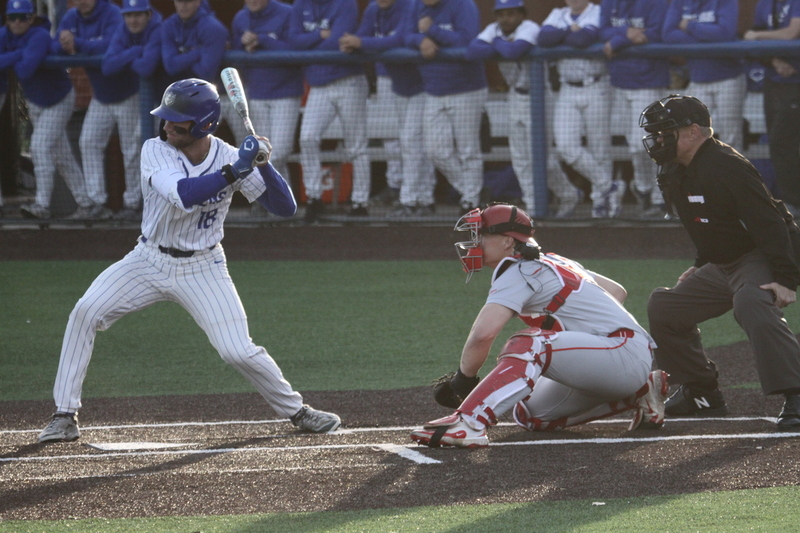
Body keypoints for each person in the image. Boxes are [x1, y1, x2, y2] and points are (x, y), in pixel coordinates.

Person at [37, 79, 342, 443]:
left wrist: (263, 163)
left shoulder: (231, 155)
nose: (167, 125)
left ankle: (298, 411)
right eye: (166, 117)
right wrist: (237, 169)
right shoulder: (156, 150)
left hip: (203, 266)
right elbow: (184, 195)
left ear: (203, 124)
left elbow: (285, 207)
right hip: (148, 260)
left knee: (237, 351)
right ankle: (64, 414)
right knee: (85, 312)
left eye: (177, 120)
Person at [409, 203, 666, 448]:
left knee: (530, 344)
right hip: (621, 355)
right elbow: (617, 292)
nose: (474, 242)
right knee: (532, 415)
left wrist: (463, 380)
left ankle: (468, 424)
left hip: (623, 351)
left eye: (482, 235)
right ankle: (640, 391)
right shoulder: (553, 261)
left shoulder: (519, 270)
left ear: (507, 241)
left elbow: (483, 335)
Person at [639, 94, 800, 431]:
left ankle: (796, 393)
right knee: (664, 306)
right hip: (723, 263)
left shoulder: (727, 165)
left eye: (667, 131)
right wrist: (702, 263)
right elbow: (706, 221)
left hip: (759, 254)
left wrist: (787, 279)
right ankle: (702, 392)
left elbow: (771, 223)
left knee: (751, 301)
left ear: (693, 131)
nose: (659, 139)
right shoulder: (675, 168)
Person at [467, 0, 578, 218]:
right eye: (501, 14)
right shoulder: (495, 29)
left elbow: (513, 51)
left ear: (521, 14)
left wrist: (495, 43)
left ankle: (568, 195)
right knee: (520, 158)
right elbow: (472, 51)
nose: (505, 19)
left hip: (538, 96)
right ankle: (533, 204)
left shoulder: (530, 28)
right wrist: (500, 42)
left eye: (511, 13)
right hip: (514, 96)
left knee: (543, 158)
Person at [339, 0, 436, 217]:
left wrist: (361, 43)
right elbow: (360, 36)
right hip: (397, 83)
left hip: (421, 82)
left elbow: (400, 38)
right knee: (404, 139)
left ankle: (414, 199)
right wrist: (353, 43)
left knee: (413, 140)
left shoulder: (410, 5)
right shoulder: (374, 9)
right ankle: (421, 198)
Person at [0, 0, 91, 220]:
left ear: (31, 18)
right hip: (35, 101)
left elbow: (25, 70)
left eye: (22, 17)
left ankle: (42, 205)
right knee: (62, 155)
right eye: (12, 18)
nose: (17, 22)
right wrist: (19, 53)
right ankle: (86, 203)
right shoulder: (5, 35)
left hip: (58, 99)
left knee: (39, 147)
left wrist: (12, 58)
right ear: (7, 20)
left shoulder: (39, 35)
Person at [288, 0, 372, 222]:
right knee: (307, 137)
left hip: (348, 80)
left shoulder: (345, 3)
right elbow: (292, 41)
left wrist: (311, 42)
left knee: (356, 144)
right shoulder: (300, 5)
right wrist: (319, 35)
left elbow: (337, 42)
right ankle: (314, 198)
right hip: (318, 85)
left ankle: (360, 202)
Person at [538, 0, 622, 219]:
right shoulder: (557, 14)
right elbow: (543, 38)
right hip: (567, 87)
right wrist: (569, 31)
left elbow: (583, 39)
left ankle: (600, 202)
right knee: (566, 146)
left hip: (596, 84)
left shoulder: (598, 12)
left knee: (599, 147)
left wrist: (562, 35)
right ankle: (609, 186)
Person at [405, 0, 487, 214]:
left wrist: (432, 30)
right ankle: (471, 192)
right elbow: (405, 34)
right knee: (435, 151)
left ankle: (471, 200)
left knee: (468, 150)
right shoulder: (415, 6)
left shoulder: (463, 5)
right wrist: (421, 39)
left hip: (466, 88)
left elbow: (468, 41)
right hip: (434, 89)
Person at [50, 0, 124, 221]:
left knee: (134, 150)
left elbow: (112, 46)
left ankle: (136, 204)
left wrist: (78, 44)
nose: (82, 1)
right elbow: (55, 47)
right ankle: (95, 203)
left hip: (128, 93)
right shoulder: (71, 17)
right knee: (88, 142)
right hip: (100, 96)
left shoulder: (112, 13)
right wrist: (65, 45)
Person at [600, 0, 670, 219]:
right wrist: (627, 33)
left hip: (649, 81)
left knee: (644, 144)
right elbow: (602, 30)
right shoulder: (609, 3)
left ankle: (652, 192)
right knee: (633, 145)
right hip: (619, 82)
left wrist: (619, 39)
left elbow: (658, 33)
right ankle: (646, 191)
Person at [101, 0, 164, 222]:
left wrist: (127, 57)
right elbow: (107, 66)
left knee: (167, 152)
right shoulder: (123, 30)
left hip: (172, 100)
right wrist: (135, 52)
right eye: (128, 15)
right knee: (137, 146)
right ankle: (134, 202)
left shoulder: (158, 28)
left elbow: (146, 67)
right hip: (148, 101)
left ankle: (161, 202)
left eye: (138, 14)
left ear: (148, 14)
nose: (133, 20)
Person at [230, 0, 303, 190]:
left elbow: (297, 50)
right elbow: (234, 54)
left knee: (279, 153)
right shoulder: (240, 18)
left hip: (286, 93)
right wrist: (244, 46)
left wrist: (262, 40)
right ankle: (281, 202)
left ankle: (277, 199)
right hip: (256, 93)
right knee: (261, 155)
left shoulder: (288, 13)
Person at [662, 0, 746, 153]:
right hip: (698, 78)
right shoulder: (679, 2)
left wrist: (689, 26)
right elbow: (668, 34)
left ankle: (732, 169)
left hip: (728, 78)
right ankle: (701, 169)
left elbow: (725, 33)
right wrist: (707, 38)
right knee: (693, 135)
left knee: (731, 138)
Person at [743, 0, 800, 218]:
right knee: (778, 143)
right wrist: (775, 60)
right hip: (774, 79)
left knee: (783, 140)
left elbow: (792, 33)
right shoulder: (764, 3)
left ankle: (794, 201)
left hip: (796, 80)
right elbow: (752, 35)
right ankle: (792, 202)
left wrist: (758, 36)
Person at [160, 0, 227, 84]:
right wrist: (199, 51)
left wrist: (182, 58)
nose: (183, 5)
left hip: (212, 87)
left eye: (188, 1)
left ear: (198, 2)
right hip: (178, 85)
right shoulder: (168, 25)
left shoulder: (213, 28)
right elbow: (171, 66)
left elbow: (206, 74)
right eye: (179, 1)